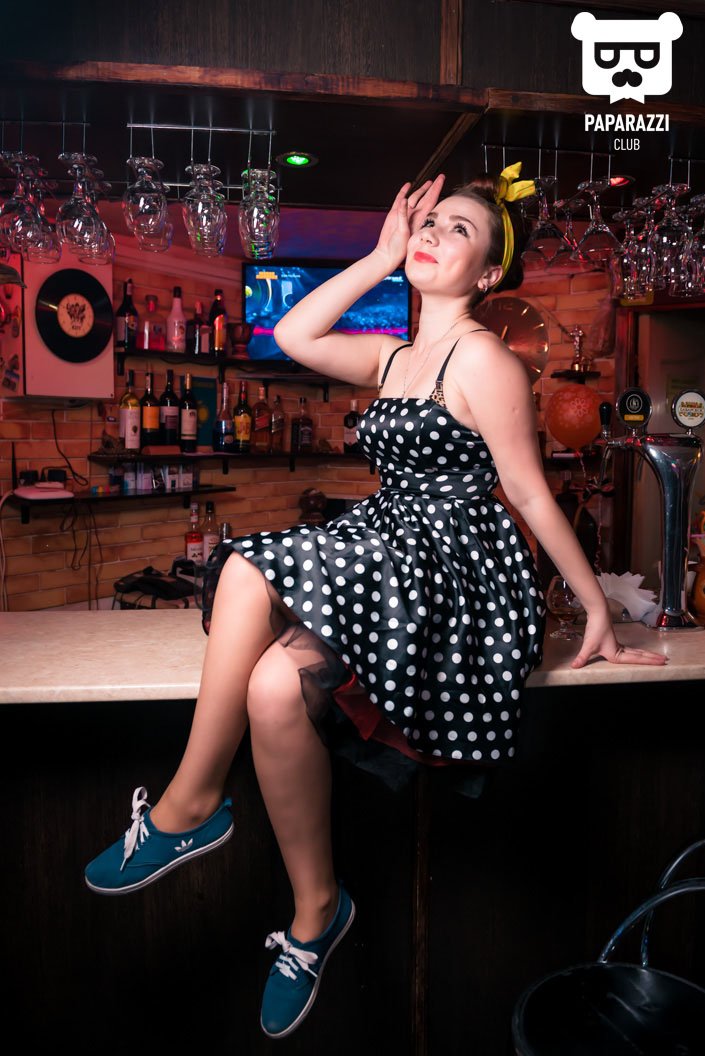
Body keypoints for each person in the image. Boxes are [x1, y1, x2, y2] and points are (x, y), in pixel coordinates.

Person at [84, 163, 667, 1039]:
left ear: (489, 273)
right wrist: (378, 255)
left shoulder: (485, 358)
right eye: (429, 222)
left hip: (457, 567)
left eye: (458, 230)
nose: (433, 235)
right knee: (272, 686)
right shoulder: (392, 355)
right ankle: (317, 911)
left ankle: (190, 808)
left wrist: (593, 608)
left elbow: (527, 489)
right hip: (392, 544)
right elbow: (291, 331)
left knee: (244, 571)